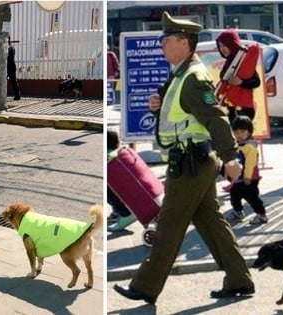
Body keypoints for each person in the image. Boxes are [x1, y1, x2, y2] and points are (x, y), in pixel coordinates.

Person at [113, 12, 254, 304]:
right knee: (212, 223)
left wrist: (231, 158)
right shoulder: (180, 74)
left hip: (191, 163)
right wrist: (157, 105)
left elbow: (216, 119)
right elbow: (180, 115)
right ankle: (239, 279)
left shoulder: (193, 78)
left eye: (166, 39)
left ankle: (145, 286)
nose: (162, 43)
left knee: (168, 224)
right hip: (191, 161)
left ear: (182, 42)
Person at [226, 116, 268, 224]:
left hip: (249, 177)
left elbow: (250, 163)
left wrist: (247, 176)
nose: (239, 134)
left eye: (242, 131)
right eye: (236, 132)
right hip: (239, 177)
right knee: (234, 194)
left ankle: (261, 214)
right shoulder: (239, 144)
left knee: (252, 197)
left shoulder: (250, 146)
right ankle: (238, 212)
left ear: (249, 132)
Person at [215, 29, 260, 123]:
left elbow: (256, 81)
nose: (222, 49)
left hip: (242, 108)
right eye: (220, 46)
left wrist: (241, 82)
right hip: (230, 106)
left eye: (225, 45)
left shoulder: (242, 60)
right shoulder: (230, 61)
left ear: (232, 44)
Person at [106, 129, 136, 232]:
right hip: (130, 183)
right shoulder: (122, 151)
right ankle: (117, 212)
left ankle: (125, 213)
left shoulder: (109, 156)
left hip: (122, 186)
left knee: (107, 190)